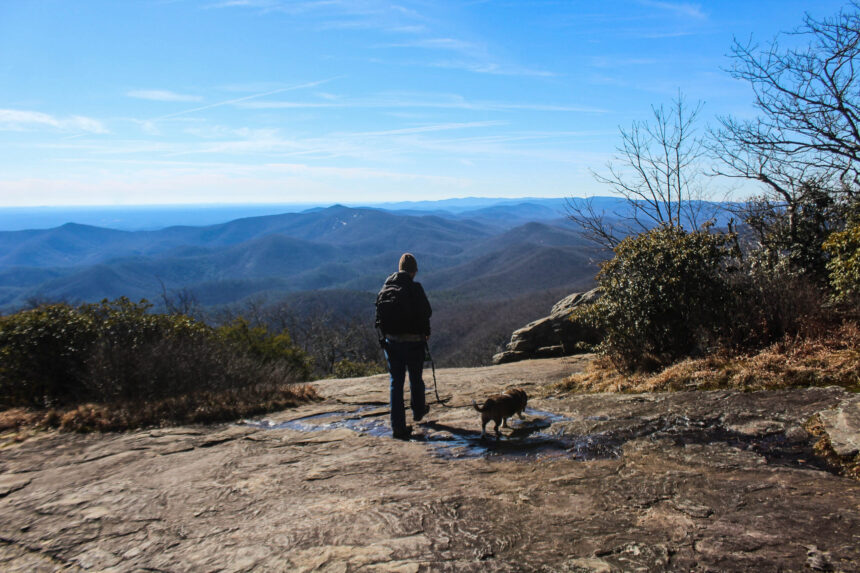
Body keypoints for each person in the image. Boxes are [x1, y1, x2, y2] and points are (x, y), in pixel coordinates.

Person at [375, 253, 432, 440]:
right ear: (414, 271)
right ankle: (418, 412)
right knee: (416, 378)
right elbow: (426, 312)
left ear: (399, 269)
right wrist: (425, 332)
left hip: (391, 342)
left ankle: (398, 427)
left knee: (396, 383)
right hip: (414, 341)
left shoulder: (386, 287)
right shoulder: (415, 288)